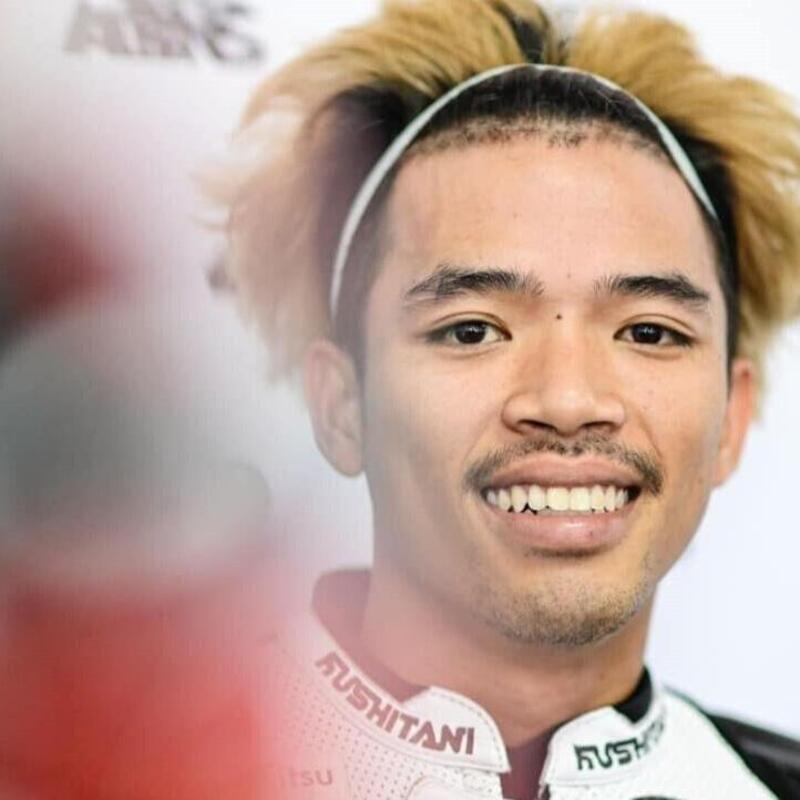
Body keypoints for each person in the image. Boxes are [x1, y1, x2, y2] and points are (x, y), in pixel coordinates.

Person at [209, 1, 800, 797]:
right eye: (472, 330)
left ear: (731, 418)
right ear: (342, 407)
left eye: (649, 332)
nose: (568, 398)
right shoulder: (125, 768)